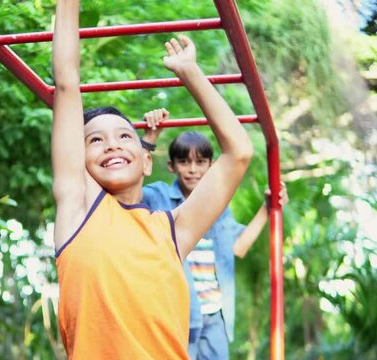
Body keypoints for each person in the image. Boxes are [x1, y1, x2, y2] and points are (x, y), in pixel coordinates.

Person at [51, 0, 253, 358]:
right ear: (77, 161)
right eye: (95, 140)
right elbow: (67, 83)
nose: (112, 144)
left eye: (125, 136)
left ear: (146, 162)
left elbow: (238, 152)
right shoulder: (78, 211)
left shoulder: (173, 230)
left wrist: (190, 72)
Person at [140, 109, 289, 360]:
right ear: (172, 165)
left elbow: (237, 247)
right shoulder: (159, 197)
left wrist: (268, 208)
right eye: (184, 162)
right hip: (177, 315)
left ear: (211, 166)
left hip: (215, 316)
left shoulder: (218, 208)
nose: (193, 169)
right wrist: (150, 138)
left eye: (200, 162)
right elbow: (131, 187)